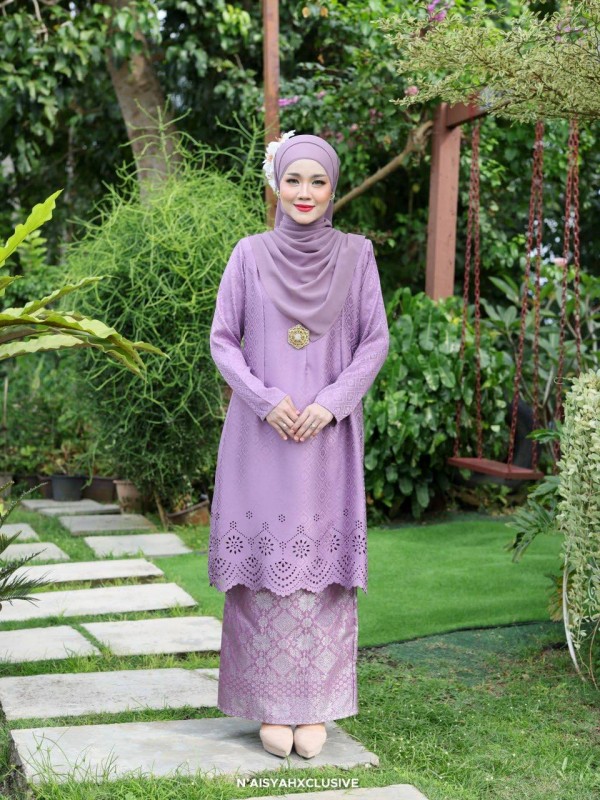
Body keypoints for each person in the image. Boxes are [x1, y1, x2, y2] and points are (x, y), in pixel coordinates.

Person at [208, 132, 390, 759]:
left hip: (325, 439)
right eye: (293, 180)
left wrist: (331, 403)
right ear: (276, 184)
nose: (304, 192)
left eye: (317, 181)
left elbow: (374, 341)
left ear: (333, 187)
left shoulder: (357, 256)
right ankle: (267, 705)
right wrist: (264, 399)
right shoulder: (248, 254)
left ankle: (315, 706)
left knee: (322, 573)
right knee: (262, 570)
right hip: (261, 437)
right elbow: (223, 339)